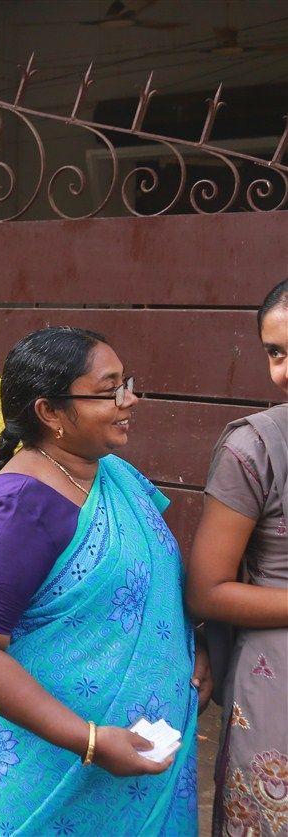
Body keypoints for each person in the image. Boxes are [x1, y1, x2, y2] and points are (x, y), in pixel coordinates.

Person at [0, 326, 208, 835]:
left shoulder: (111, 475)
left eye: (127, 383)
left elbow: (152, 587)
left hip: (147, 748)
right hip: (60, 765)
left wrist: (192, 649)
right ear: (49, 412)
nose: (128, 401)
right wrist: (89, 740)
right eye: (108, 391)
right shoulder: (20, 506)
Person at [189, 279, 287, 837]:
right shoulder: (254, 448)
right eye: (275, 352)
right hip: (279, 679)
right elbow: (208, 590)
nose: (284, 371)